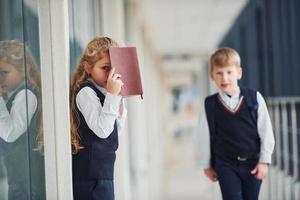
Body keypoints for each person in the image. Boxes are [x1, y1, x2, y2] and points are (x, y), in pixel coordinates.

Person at [199, 47, 275, 200]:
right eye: (219, 73)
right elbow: (202, 136)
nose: (224, 78)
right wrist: (206, 164)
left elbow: (266, 131)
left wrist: (264, 161)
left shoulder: (254, 98)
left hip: (253, 164)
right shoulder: (210, 104)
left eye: (229, 72)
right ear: (212, 76)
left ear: (239, 73)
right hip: (225, 164)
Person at [70, 36, 127, 200]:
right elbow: (102, 130)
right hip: (89, 180)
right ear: (88, 67)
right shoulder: (86, 92)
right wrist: (112, 96)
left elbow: (112, 133)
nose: (110, 75)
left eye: (114, 69)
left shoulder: (105, 93)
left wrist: (119, 102)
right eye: (105, 68)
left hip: (104, 176)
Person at [0, 40, 45, 199]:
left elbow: (10, 132)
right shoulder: (15, 96)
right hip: (20, 180)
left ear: (24, 70)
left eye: (3, 72)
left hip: (27, 184)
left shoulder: (25, 95)